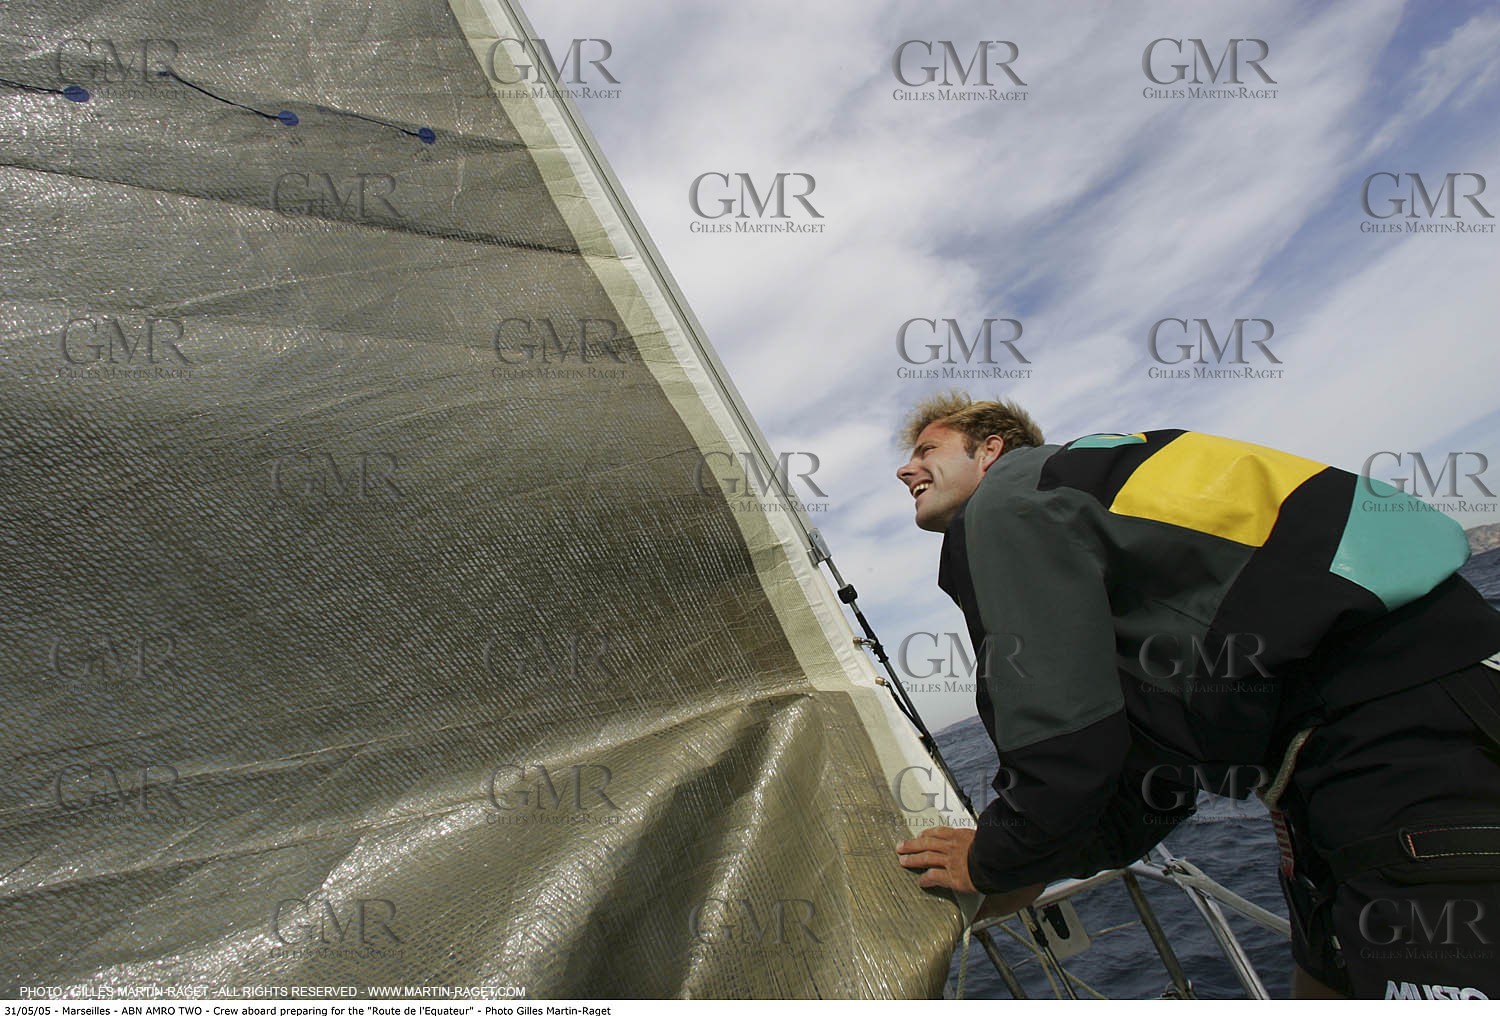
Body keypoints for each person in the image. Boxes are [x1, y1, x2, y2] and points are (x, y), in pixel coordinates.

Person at [892, 391, 1500, 1000]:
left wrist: (996, 858)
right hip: (1377, 732)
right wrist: (1038, 859)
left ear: (991, 450)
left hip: (1393, 740)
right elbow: (1154, 766)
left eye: (927, 450)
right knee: (1323, 981)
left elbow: (1065, 733)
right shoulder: (1094, 492)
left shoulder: (1008, 501)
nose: (904, 469)